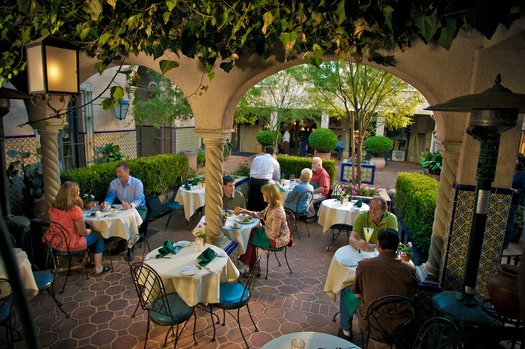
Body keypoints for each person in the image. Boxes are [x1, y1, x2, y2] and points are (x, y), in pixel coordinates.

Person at [337, 196, 398, 339]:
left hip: (377, 265)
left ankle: (348, 328)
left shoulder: (391, 219)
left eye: (376, 209)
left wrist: (375, 247)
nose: (372, 211)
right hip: (376, 263)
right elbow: (352, 237)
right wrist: (357, 243)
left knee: (348, 291)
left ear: (385, 210)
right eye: (370, 207)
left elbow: (392, 241)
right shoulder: (363, 217)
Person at [349, 228, 417, 341]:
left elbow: (357, 295)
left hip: (373, 326)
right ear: (397, 247)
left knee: (347, 292)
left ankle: (346, 330)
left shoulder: (365, 266)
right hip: (402, 327)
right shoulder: (410, 270)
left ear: (378, 245)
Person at [45, 181, 109, 276]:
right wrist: (91, 229)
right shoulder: (75, 210)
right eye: (78, 191)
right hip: (70, 244)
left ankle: (88, 262)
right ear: (74, 194)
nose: (79, 193)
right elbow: (83, 232)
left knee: (92, 235)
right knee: (98, 235)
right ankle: (98, 267)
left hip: (56, 242)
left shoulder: (53, 208)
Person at [235, 184, 291, 276]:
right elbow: (260, 214)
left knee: (250, 237)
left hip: (277, 239)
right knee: (250, 236)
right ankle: (251, 267)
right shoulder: (271, 205)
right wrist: (244, 211)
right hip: (271, 233)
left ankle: (248, 266)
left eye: (264, 194)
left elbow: (273, 235)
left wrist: (261, 229)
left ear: (270, 195)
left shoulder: (278, 211)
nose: (262, 195)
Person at [100, 162, 146, 259]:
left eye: (120, 172)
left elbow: (140, 200)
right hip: (123, 208)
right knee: (118, 221)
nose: (118, 174)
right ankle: (123, 243)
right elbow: (110, 197)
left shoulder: (137, 183)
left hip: (138, 208)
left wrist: (130, 205)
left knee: (131, 223)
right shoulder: (114, 183)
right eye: (117, 172)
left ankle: (130, 248)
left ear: (127, 171)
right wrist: (106, 204)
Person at [248, 145, 280, 211]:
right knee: (263, 206)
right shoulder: (274, 162)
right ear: (274, 153)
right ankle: (263, 220)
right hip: (264, 183)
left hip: (253, 182)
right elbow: (276, 178)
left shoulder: (256, 158)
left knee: (252, 204)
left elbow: (251, 171)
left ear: (265, 151)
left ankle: (250, 219)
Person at [504, 153, 525, 248]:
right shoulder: (510, 171)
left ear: (519, 162)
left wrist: (515, 191)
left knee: (509, 221)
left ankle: (505, 243)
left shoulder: (522, 174)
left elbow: (523, 188)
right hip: (505, 199)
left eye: (515, 159)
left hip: (514, 200)